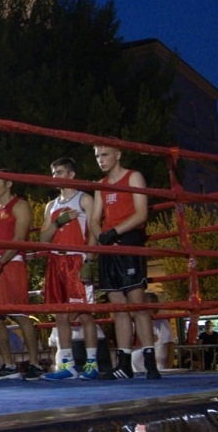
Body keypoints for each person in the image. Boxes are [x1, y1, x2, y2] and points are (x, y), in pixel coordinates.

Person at [90, 145, 160, 380]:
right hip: (109, 245)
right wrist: (103, 236)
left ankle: (150, 363)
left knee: (136, 302)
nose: (101, 159)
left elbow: (141, 213)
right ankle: (123, 364)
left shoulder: (134, 176)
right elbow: (93, 219)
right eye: (97, 156)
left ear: (118, 154)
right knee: (117, 305)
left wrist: (115, 233)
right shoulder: (101, 185)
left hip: (129, 239)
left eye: (105, 154)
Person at [37, 158, 100, 381]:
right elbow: (43, 239)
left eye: (60, 172)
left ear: (72, 175)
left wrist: (90, 260)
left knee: (85, 314)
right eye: (53, 173)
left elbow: (93, 231)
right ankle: (68, 364)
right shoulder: (51, 206)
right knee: (60, 315)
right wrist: (56, 223)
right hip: (56, 261)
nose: (55, 177)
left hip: (77, 259)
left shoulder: (84, 199)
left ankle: (92, 363)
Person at [0, 173, 42, 380]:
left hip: (13, 263)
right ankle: (8, 365)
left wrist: (1, 262)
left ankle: (35, 363)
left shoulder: (20, 206)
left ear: (8, 183)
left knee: (20, 314)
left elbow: (18, 239)